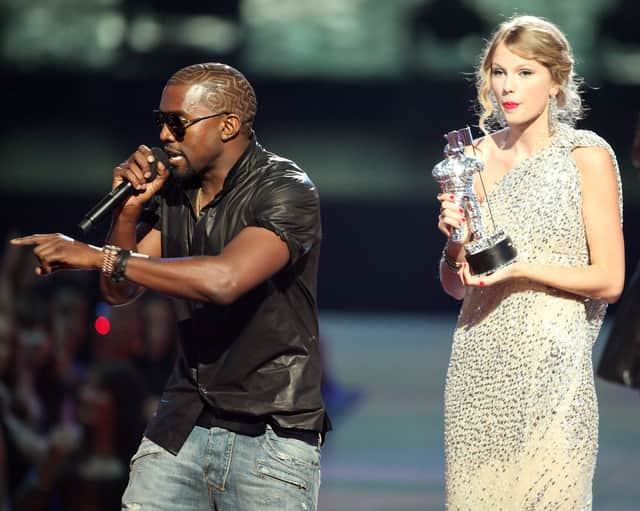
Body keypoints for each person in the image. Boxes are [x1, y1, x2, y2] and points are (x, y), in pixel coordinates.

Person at [12, 62, 328, 510]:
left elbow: (225, 280)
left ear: (228, 125)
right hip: (183, 421)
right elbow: (120, 292)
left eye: (177, 123)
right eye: (160, 121)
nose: (164, 136)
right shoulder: (176, 191)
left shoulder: (285, 189)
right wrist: (128, 213)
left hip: (270, 429)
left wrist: (100, 256)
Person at [435, 15, 624, 510]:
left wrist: (520, 269)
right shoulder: (471, 159)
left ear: (556, 80)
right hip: (479, 365)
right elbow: (458, 287)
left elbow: (609, 279)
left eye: (525, 72)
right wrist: (454, 245)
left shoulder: (585, 156)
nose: (508, 87)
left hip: (555, 369)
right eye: (499, 73)